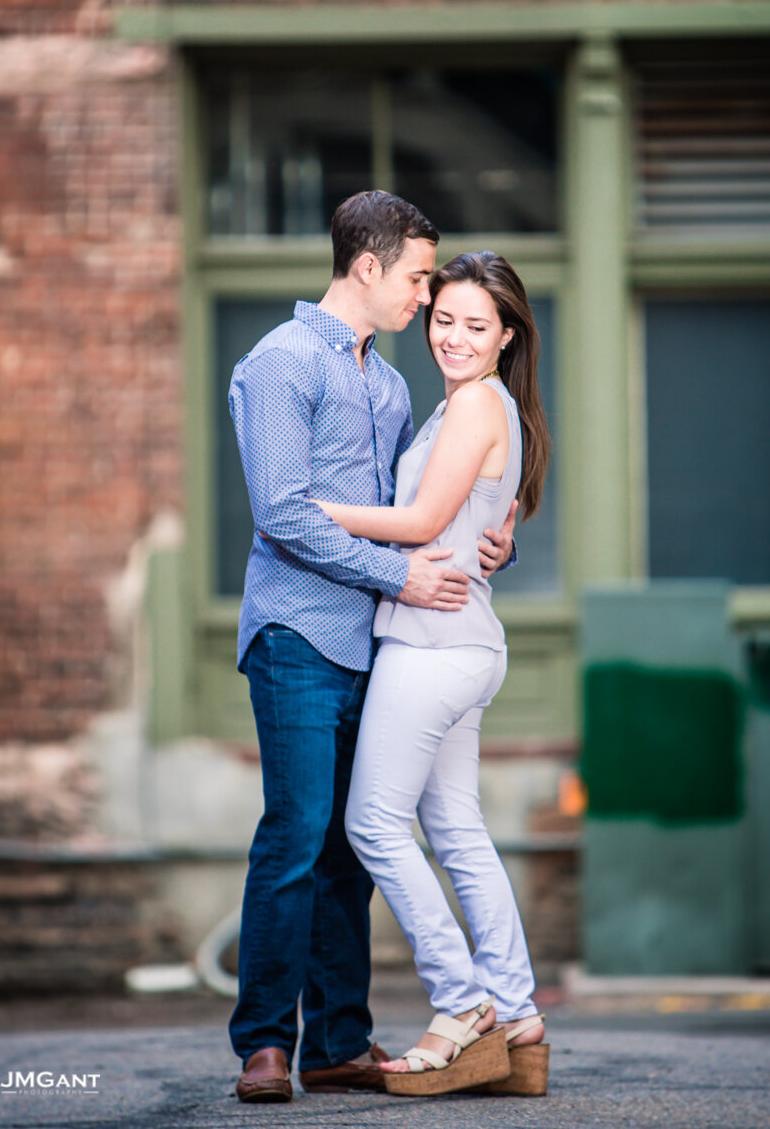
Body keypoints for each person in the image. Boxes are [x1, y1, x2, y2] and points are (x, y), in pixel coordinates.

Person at [227, 193, 517, 1104]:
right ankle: (267, 1045)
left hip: (379, 643)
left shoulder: (390, 386)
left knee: (355, 846)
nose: (427, 298)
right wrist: (402, 577)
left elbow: (412, 510)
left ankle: (340, 1041)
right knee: (298, 831)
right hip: (298, 632)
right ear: (368, 267)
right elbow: (281, 516)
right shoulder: (279, 365)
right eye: (420, 277)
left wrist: (484, 534)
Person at [314, 250, 552, 1097]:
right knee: (455, 830)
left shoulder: (475, 407)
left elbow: (417, 520)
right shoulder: (487, 408)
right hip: (462, 645)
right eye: (443, 318)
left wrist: (302, 509)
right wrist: (504, 534)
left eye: (474, 325)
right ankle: (517, 1013)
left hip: (431, 649)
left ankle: (461, 1004)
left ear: (507, 335)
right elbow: (480, 518)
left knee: (374, 824)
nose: (452, 336)